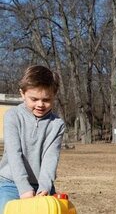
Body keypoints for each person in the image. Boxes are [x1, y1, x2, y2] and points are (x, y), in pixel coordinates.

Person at [0, 65, 65, 213]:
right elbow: (14, 154)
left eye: (46, 99)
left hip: (41, 185)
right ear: (22, 94)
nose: (40, 105)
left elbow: (51, 158)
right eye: (34, 99)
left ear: (54, 95)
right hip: (11, 183)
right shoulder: (13, 116)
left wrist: (45, 187)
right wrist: (24, 189)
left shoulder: (57, 124)